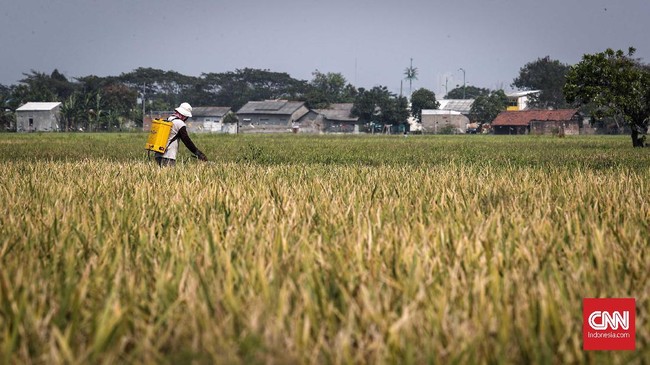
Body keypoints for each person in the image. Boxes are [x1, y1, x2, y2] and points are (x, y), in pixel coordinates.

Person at [154, 102, 208, 166]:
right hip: (168, 156)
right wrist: (198, 153)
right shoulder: (180, 123)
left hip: (158, 155)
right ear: (184, 116)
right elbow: (187, 141)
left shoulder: (169, 119)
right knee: (170, 175)